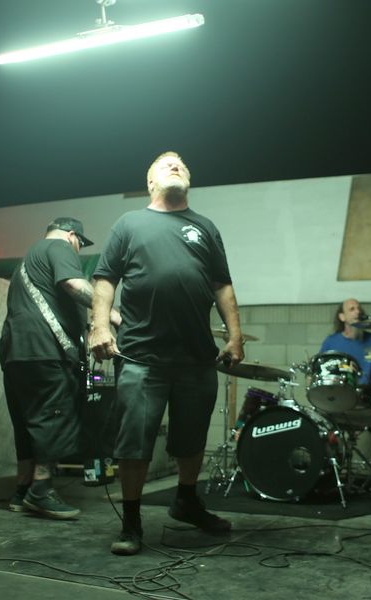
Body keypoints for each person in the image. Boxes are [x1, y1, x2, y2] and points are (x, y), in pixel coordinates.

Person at [89, 151, 244, 556]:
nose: (175, 165)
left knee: (191, 439)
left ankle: (186, 501)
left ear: (188, 180)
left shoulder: (205, 227)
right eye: (165, 164)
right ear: (151, 182)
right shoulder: (129, 224)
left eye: (181, 164)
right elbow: (105, 280)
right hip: (142, 356)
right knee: (135, 442)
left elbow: (222, 285)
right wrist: (100, 326)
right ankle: (132, 521)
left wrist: (235, 336)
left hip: (196, 357)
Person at [0, 217, 120, 519]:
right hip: (45, 351)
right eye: (80, 243)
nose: (78, 249)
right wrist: (110, 313)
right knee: (54, 415)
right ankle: (41, 490)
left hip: (17, 353)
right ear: (72, 235)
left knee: (28, 422)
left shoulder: (27, 262)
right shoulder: (59, 247)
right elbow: (74, 284)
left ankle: (22, 490)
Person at [318, 298, 371, 398]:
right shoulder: (330, 342)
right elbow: (318, 370)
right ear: (342, 317)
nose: (358, 312)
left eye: (359, 309)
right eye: (352, 309)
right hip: (338, 398)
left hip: (367, 399)